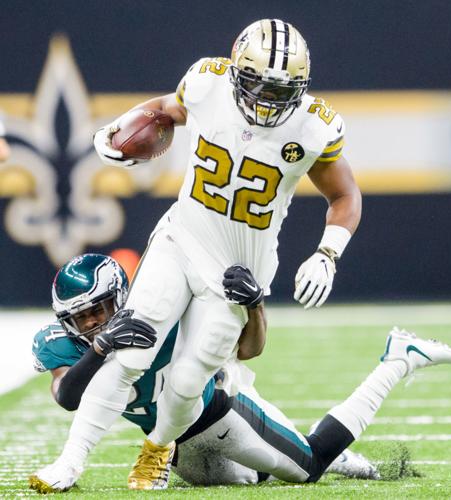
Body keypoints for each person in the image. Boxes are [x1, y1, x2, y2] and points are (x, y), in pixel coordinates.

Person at [38, 18, 364, 490]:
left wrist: (327, 253)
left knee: (192, 379)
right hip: (183, 238)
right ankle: (69, 463)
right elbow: (165, 110)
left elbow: (346, 196)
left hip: (238, 268)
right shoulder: (208, 83)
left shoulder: (315, 127)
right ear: (236, 72)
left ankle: (158, 448)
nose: (269, 101)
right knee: (131, 349)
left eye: (282, 91)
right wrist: (124, 132)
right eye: (259, 86)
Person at [29, 253, 379, 493]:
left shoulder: (161, 311)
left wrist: (255, 306)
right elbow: (67, 397)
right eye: (80, 318)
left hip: (219, 406)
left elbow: (249, 350)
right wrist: (100, 348)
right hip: (173, 449)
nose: (90, 322)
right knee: (251, 479)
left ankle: (390, 371)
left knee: (305, 466)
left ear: (121, 296)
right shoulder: (62, 344)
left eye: (99, 309)